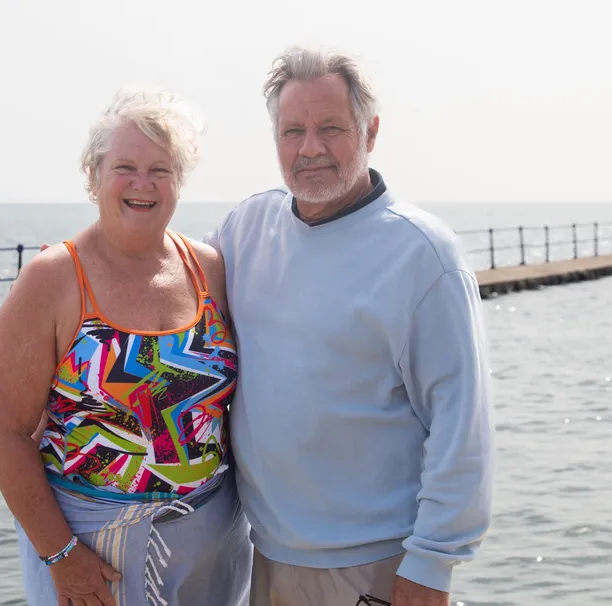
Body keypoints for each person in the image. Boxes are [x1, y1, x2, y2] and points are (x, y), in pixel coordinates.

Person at [204, 46, 495, 605]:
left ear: (371, 132)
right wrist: (80, 269)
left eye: (330, 128)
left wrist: (432, 565)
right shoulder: (245, 228)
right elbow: (171, 292)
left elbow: (463, 426)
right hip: (262, 554)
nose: (309, 148)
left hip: (376, 565)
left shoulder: (422, 254)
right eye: (293, 132)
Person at [0, 88, 251, 606]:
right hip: (92, 552)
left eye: (161, 170)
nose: (142, 184)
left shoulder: (209, 268)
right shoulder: (52, 279)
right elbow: (2, 432)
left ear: (179, 182)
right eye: (125, 166)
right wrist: (61, 556)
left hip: (213, 547)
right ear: (93, 175)